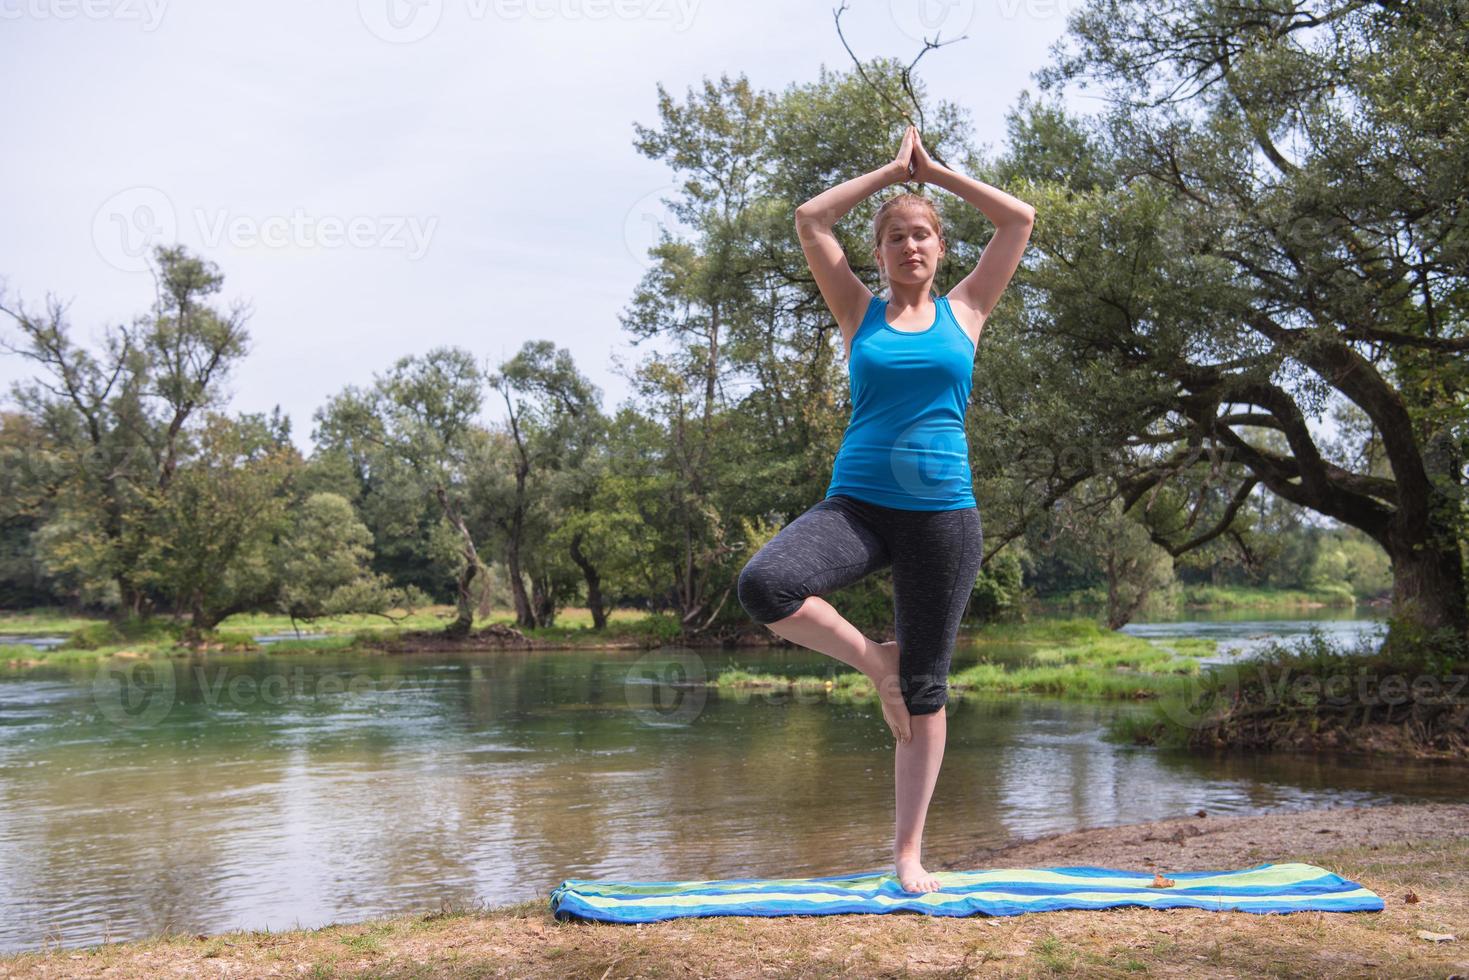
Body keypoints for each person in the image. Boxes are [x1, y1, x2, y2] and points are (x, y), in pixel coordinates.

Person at [736, 124, 1035, 894]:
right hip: (858, 506)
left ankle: (907, 854)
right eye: (896, 237)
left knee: (928, 688)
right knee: (765, 585)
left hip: (943, 515)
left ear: (939, 249)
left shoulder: (967, 310)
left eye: (921, 236)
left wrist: (935, 172)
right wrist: (887, 174)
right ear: (879, 253)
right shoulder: (857, 313)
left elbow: (1018, 220)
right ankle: (877, 665)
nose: (909, 247)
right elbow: (809, 219)